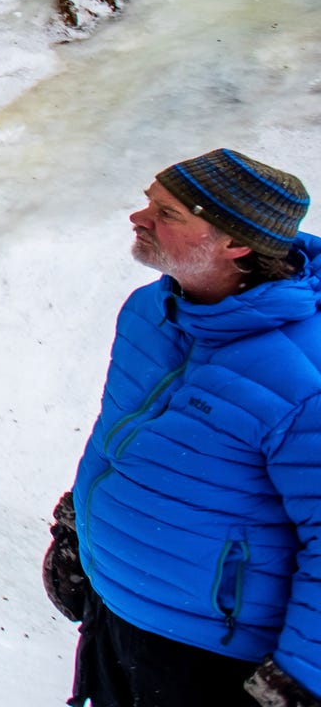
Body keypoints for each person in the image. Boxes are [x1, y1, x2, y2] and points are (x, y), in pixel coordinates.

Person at [47, 151, 321, 707]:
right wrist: (75, 530)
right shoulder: (152, 309)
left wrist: (297, 681)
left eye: (167, 213)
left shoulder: (303, 374)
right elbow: (118, 439)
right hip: (114, 611)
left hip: (208, 656)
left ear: (236, 244)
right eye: (149, 202)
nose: (138, 218)